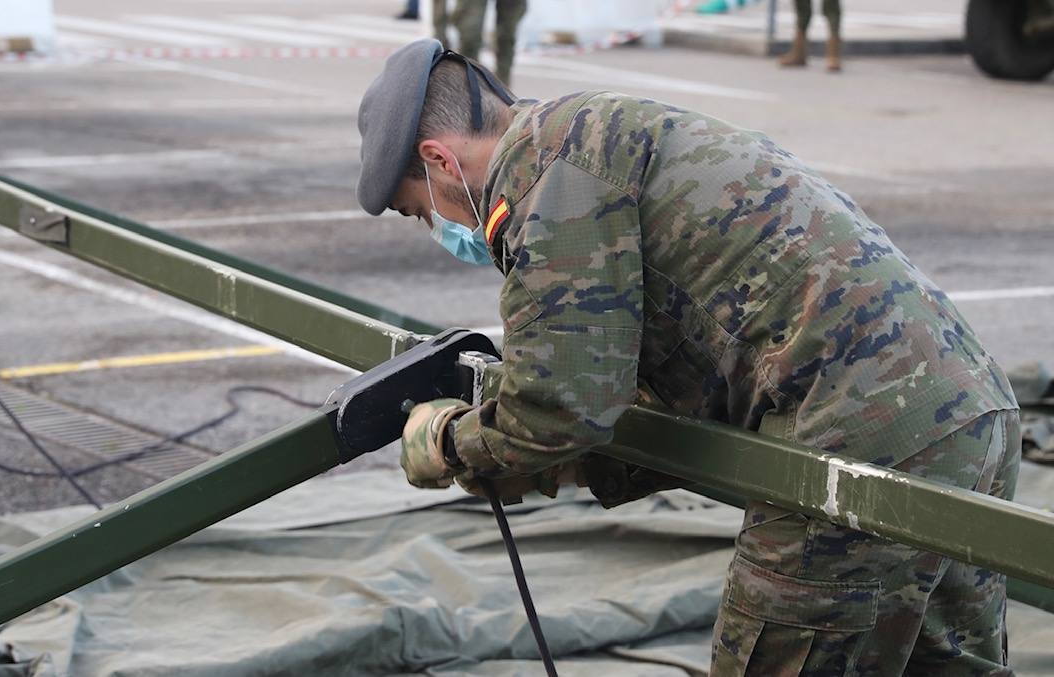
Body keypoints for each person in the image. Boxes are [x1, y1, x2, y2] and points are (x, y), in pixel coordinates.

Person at [355, 39, 1019, 675]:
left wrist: (450, 442)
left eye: (423, 212)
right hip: (966, 409)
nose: (445, 228)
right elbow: (669, 385)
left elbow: (561, 404)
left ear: (439, 160)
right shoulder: (586, 133)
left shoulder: (554, 179)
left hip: (862, 436)